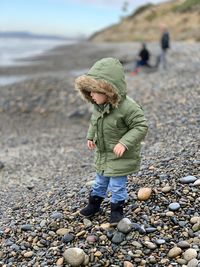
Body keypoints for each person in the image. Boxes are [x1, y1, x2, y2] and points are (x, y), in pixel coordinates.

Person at [75, 58, 148, 225]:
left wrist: (124, 143)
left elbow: (141, 126)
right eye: (89, 92)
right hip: (103, 154)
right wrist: (90, 136)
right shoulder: (98, 106)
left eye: (94, 91)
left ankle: (117, 211)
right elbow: (95, 122)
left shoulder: (128, 107)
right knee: (99, 181)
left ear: (108, 91)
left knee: (117, 185)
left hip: (120, 156)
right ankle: (94, 205)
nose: (91, 96)